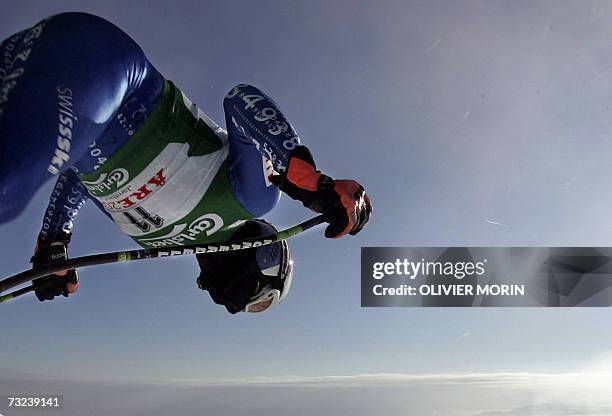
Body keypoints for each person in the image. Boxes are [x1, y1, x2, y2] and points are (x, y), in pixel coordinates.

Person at [0, 12, 372, 314]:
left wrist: (53, 244)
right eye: (259, 299)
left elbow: (84, 177)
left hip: (62, 76)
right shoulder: (251, 201)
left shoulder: (150, 236)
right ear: (267, 257)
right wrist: (310, 180)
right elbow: (240, 101)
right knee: (7, 193)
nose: (240, 306)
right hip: (103, 65)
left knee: (11, 188)